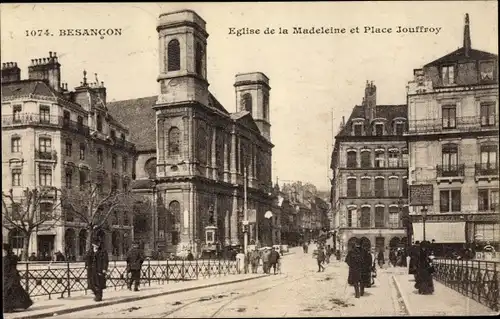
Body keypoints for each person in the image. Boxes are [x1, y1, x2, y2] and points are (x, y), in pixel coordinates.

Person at [3, 243, 33, 313]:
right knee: (10, 292)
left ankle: (8, 307)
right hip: (9, 276)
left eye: (4, 250)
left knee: (9, 292)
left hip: (10, 277)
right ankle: (8, 307)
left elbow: (11, 268)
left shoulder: (10, 258)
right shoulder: (10, 258)